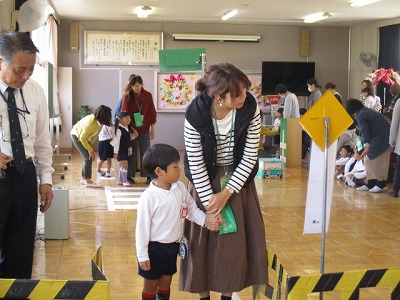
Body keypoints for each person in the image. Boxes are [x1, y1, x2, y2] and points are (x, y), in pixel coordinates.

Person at [180, 62, 268, 299]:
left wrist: (227, 193)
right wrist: (211, 205)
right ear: (218, 96)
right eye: (237, 94)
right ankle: (204, 296)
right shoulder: (195, 114)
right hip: (204, 181)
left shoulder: (250, 109)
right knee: (202, 242)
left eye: (245, 91)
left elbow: (250, 156)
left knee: (232, 244)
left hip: (236, 180)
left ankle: (227, 295)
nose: (244, 97)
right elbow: (195, 163)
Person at [0, 32, 54, 279]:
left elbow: (42, 141)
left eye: (31, 69)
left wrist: (46, 180)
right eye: (20, 70)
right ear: (1, 61)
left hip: (24, 174)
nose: (26, 76)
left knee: (21, 246)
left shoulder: (35, 91)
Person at [136, 143, 220, 300]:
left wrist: (206, 221)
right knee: (151, 285)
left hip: (172, 247)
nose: (180, 170)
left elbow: (192, 210)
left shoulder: (179, 188)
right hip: (154, 250)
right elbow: (141, 230)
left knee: (166, 282)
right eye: (175, 167)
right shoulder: (148, 198)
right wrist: (142, 255)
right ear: (159, 171)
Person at [346, 99, 390, 193]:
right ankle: (371, 183)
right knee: (371, 160)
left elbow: (364, 131)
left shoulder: (361, 115)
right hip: (381, 136)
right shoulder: (365, 111)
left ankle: (380, 184)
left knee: (370, 160)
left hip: (381, 137)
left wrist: (366, 146)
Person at [121, 75, 157, 184]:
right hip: (132, 129)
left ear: (141, 84)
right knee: (131, 153)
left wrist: (152, 128)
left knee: (146, 152)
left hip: (144, 128)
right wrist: (131, 128)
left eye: (138, 86)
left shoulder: (148, 95)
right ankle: (129, 175)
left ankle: (148, 175)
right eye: (133, 86)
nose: (136, 88)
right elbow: (124, 114)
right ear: (130, 86)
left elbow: (152, 113)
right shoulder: (127, 97)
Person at [70, 105, 112, 187]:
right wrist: (90, 150)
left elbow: (95, 136)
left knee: (87, 157)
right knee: (87, 157)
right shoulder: (91, 123)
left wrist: (90, 147)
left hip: (84, 138)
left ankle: (84, 179)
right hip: (77, 136)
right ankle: (88, 180)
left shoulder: (99, 123)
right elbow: (82, 138)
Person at [113, 111, 138, 187]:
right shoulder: (119, 129)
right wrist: (115, 153)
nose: (128, 119)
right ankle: (125, 180)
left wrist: (134, 135)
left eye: (129, 118)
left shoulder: (128, 127)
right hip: (121, 149)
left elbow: (128, 138)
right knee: (125, 164)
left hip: (128, 148)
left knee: (124, 165)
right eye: (126, 118)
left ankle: (120, 180)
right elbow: (116, 142)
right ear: (120, 119)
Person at [388, 91, 400, 197]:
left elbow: (394, 123)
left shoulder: (399, 102)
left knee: (399, 167)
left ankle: (395, 191)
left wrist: (392, 141)